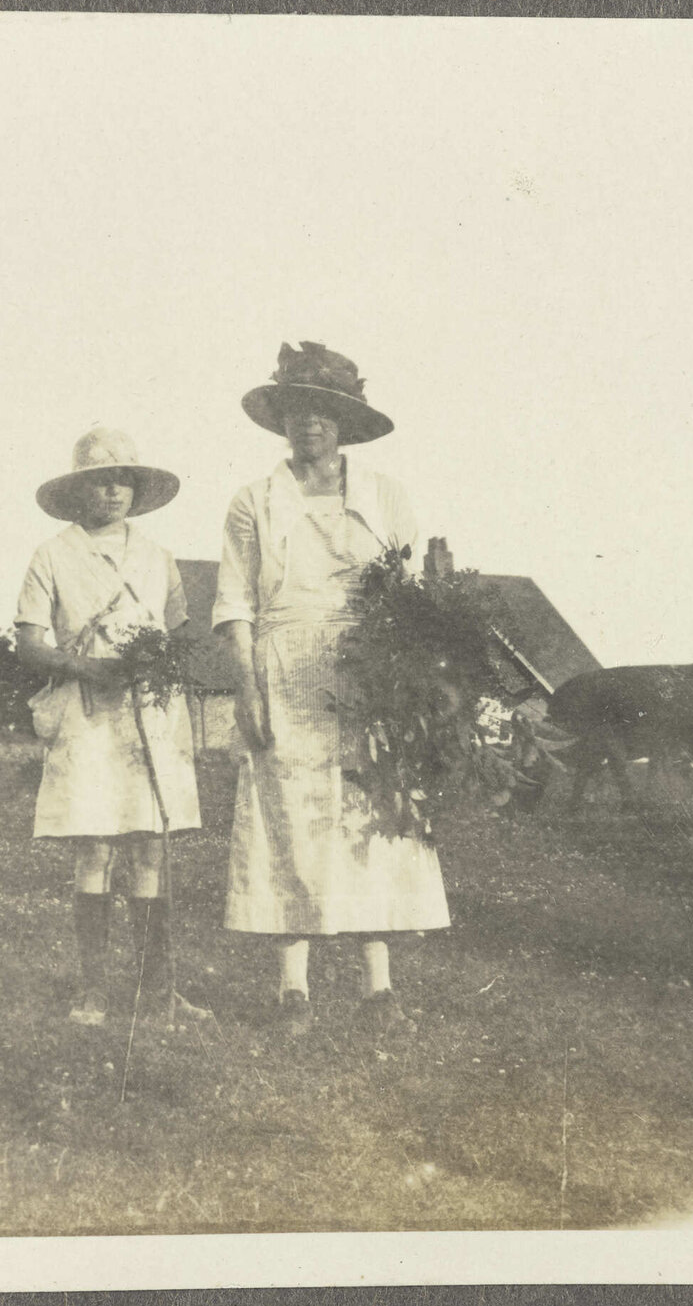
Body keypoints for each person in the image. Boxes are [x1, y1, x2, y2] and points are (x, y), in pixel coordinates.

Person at [212, 343, 451, 1035]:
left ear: (344, 422)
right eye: (296, 410)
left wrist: (407, 686)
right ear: (281, 419)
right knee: (290, 814)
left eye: (323, 411)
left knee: (369, 816)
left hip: (368, 671)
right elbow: (233, 603)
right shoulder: (253, 501)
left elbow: (409, 599)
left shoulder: (385, 495)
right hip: (285, 667)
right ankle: (294, 988)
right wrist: (248, 689)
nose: (308, 423)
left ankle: (379, 989)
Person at [15, 427, 205, 1027]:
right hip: (87, 714)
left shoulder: (157, 556)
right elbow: (28, 642)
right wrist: (88, 668)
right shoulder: (54, 554)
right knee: (95, 844)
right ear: (79, 491)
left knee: (150, 844)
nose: (113, 491)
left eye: (124, 479)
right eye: (100, 480)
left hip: (150, 714)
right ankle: (92, 991)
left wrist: (153, 669)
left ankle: (158, 994)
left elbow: (175, 634)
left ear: (137, 489)